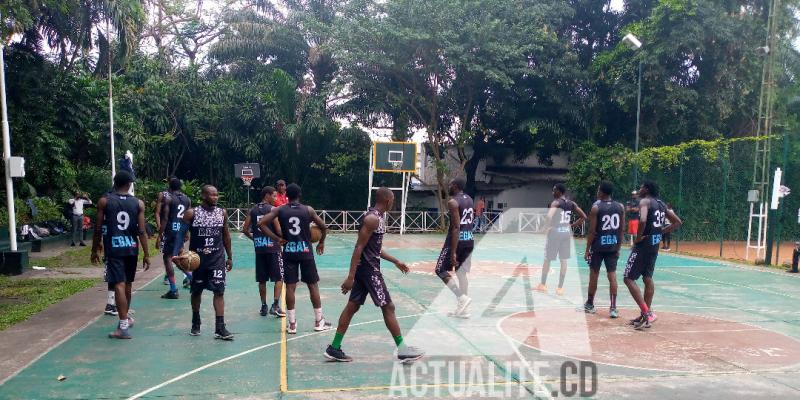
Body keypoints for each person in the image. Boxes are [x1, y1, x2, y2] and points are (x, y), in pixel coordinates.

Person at [324, 187, 424, 362]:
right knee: (388, 307)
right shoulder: (372, 219)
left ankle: (334, 347)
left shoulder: (378, 217)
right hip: (369, 271)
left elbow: (374, 249)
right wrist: (350, 277)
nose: (393, 202)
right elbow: (359, 247)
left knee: (352, 306)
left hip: (366, 270)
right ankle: (402, 350)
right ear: (387, 200)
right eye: (392, 199)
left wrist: (395, 261)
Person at [258, 183, 331, 334]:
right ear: (299, 195)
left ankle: (292, 324)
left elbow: (261, 223)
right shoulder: (308, 210)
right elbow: (324, 227)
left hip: (289, 252)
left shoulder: (280, 209)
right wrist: (322, 242)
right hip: (305, 252)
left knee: (290, 287)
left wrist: (276, 238)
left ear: (286, 195)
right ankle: (319, 321)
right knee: (312, 286)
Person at [91, 171, 150, 339]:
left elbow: (98, 228)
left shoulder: (104, 202)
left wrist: (95, 249)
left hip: (114, 249)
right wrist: (146, 254)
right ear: (130, 184)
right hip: (131, 248)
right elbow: (141, 231)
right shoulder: (138, 203)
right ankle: (125, 319)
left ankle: (123, 326)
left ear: (114, 183)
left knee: (118, 284)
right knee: (128, 285)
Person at [174, 185, 234, 340]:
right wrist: (177, 253)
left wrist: (230, 257)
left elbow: (226, 236)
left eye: (216, 195)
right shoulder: (192, 213)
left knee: (219, 291)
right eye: (212, 195)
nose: (215, 197)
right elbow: (181, 235)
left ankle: (220, 327)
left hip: (217, 258)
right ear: (203, 196)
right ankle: (196, 320)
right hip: (198, 260)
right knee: (196, 291)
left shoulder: (222, 213)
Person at [624, 180, 682, 330]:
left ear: (647, 189)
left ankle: (647, 312)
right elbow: (677, 222)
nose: (640, 189)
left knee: (628, 278)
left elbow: (642, 220)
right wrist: (660, 232)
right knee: (647, 277)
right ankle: (645, 316)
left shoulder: (645, 201)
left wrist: (638, 237)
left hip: (643, 245)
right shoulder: (662, 204)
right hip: (654, 245)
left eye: (642, 186)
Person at [535, 183, 587, 295]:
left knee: (547, 259)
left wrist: (545, 228)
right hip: (566, 233)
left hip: (555, 233)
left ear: (559, 191)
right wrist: (572, 226)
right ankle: (560, 288)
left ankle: (543, 284)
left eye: (554, 190)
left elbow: (549, 216)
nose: (552, 192)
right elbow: (584, 216)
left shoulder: (556, 203)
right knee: (564, 260)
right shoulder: (571, 203)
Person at [242, 186, 286, 317]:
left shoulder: (253, 209)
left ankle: (263, 306)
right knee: (279, 277)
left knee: (262, 279)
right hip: (273, 248)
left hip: (259, 248)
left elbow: (245, 229)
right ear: (267, 195)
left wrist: (254, 239)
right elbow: (278, 230)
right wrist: (283, 238)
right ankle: (276, 305)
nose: (276, 198)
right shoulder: (273, 210)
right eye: (274, 196)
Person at [583, 181, 624, 318]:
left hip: (598, 246)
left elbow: (592, 231)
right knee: (612, 276)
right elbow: (621, 230)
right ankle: (613, 308)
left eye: (598, 189)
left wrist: (587, 249)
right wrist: (618, 247)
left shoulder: (596, 207)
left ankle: (590, 304)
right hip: (612, 246)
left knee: (594, 274)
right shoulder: (620, 207)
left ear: (601, 191)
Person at [435, 178, 475, 318]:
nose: (449, 186)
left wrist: (452, 252)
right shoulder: (469, 199)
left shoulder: (453, 202)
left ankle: (461, 298)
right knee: (461, 273)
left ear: (456, 186)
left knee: (439, 270)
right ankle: (464, 310)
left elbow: (457, 227)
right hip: (469, 239)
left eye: (451, 184)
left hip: (457, 241)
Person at [158, 178, 192, 299]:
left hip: (171, 232)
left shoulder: (169, 198)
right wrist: (187, 231)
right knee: (177, 258)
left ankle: (173, 289)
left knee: (168, 258)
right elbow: (189, 217)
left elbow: (165, 218)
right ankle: (191, 278)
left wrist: (159, 234)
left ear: (169, 187)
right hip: (181, 232)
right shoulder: (187, 199)